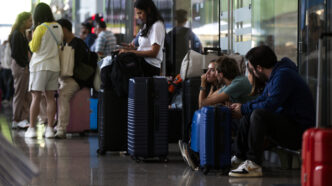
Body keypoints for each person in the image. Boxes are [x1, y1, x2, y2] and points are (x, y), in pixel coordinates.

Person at [229, 46, 315, 177]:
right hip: (290, 125)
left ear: (259, 68)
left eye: (251, 70)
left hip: (300, 132)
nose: (252, 73)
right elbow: (262, 99)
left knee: (258, 114)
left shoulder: (284, 75)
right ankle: (239, 158)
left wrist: (244, 108)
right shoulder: (276, 76)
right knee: (250, 114)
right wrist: (243, 108)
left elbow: (270, 105)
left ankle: (254, 164)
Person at [179, 56, 252, 170]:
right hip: (241, 119)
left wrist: (202, 83)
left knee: (212, 120)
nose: (211, 73)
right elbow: (204, 105)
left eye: (215, 71)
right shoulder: (229, 84)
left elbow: (203, 103)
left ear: (221, 74)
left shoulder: (237, 83)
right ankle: (197, 154)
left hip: (247, 120)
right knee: (207, 115)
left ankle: (198, 157)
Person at [25, 3, 63, 138]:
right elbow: (59, 45)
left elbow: (34, 48)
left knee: (36, 97)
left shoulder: (40, 28)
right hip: (54, 66)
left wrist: (30, 38)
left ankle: (32, 129)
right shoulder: (58, 27)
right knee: (50, 98)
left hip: (40, 67)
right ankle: (50, 129)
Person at [56, 18, 95, 138]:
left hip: (77, 79)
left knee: (63, 95)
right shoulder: (65, 43)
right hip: (67, 77)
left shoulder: (78, 44)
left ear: (64, 29)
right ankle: (52, 124)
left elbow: (73, 68)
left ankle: (61, 129)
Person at [118, 0, 165, 77]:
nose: (138, 16)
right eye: (137, 14)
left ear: (148, 10)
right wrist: (131, 49)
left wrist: (130, 52)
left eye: (140, 13)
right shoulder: (147, 25)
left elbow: (154, 52)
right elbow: (145, 48)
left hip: (150, 67)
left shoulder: (157, 25)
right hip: (143, 64)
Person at [8, 12, 33, 129]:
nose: (31, 23)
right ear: (23, 22)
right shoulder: (17, 34)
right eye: (29, 20)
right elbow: (15, 53)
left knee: (26, 94)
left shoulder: (22, 34)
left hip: (23, 65)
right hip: (20, 66)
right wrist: (24, 64)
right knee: (20, 93)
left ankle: (22, 118)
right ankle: (16, 119)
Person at [165, 9, 202, 76]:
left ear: (175, 19)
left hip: (172, 67)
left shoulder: (170, 34)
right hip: (187, 65)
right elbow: (198, 49)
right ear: (186, 20)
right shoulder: (190, 34)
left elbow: (166, 52)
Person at [0, 41, 14, 106]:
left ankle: (7, 98)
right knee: (7, 84)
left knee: (8, 84)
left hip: (7, 68)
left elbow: (7, 59)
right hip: (6, 67)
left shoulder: (7, 47)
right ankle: (6, 97)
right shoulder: (6, 47)